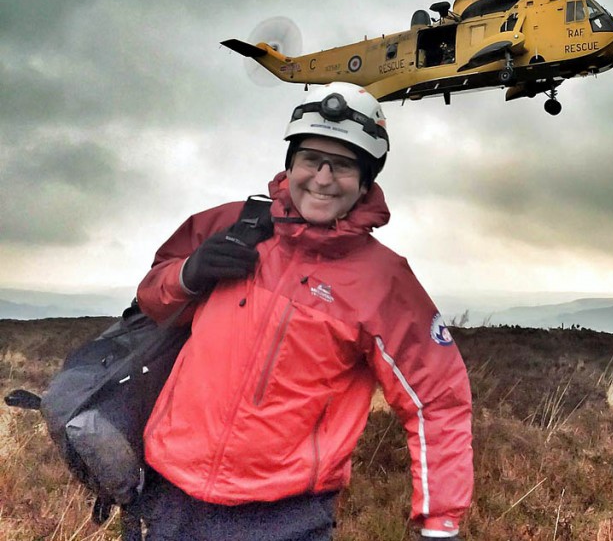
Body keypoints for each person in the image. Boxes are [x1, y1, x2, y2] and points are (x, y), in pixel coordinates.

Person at [135, 84, 473, 540]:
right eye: (311, 159)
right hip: (168, 494)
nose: (323, 178)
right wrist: (189, 274)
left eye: (345, 165)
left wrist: (439, 521)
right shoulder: (231, 224)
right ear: (290, 163)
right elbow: (151, 300)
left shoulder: (384, 281)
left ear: (367, 180)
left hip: (283, 517)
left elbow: (437, 400)